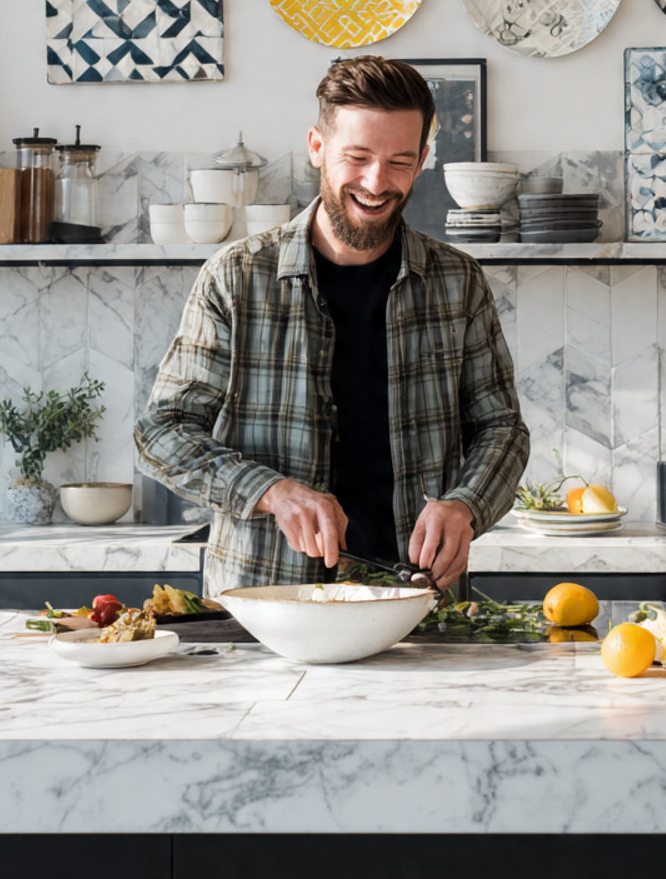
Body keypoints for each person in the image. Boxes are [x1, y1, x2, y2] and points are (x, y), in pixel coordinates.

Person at [135, 57, 529, 594]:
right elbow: (161, 431)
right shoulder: (236, 278)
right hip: (265, 606)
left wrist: (466, 504)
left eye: (399, 161)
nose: (376, 182)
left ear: (423, 162)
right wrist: (271, 491)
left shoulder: (459, 283)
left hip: (416, 604)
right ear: (317, 147)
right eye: (358, 157)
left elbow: (501, 427)